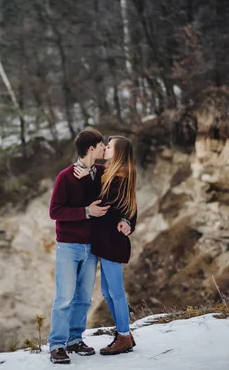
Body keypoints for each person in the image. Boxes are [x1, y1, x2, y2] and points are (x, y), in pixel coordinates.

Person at [47, 128, 110, 364]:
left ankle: (74, 340)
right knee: (64, 298)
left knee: (83, 299)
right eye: (102, 145)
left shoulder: (100, 173)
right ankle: (57, 345)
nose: (105, 148)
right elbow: (55, 211)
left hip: (91, 246)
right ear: (91, 148)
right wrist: (86, 211)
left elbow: (100, 197)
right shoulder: (65, 176)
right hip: (69, 246)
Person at [74, 135, 138, 355]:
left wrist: (127, 221)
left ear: (118, 152)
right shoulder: (111, 172)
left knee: (116, 292)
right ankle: (124, 333)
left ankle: (123, 337)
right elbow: (127, 210)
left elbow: (104, 203)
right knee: (108, 292)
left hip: (112, 241)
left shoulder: (120, 177)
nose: (105, 148)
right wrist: (88, 173)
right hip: (106, 241)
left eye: (109, 146)